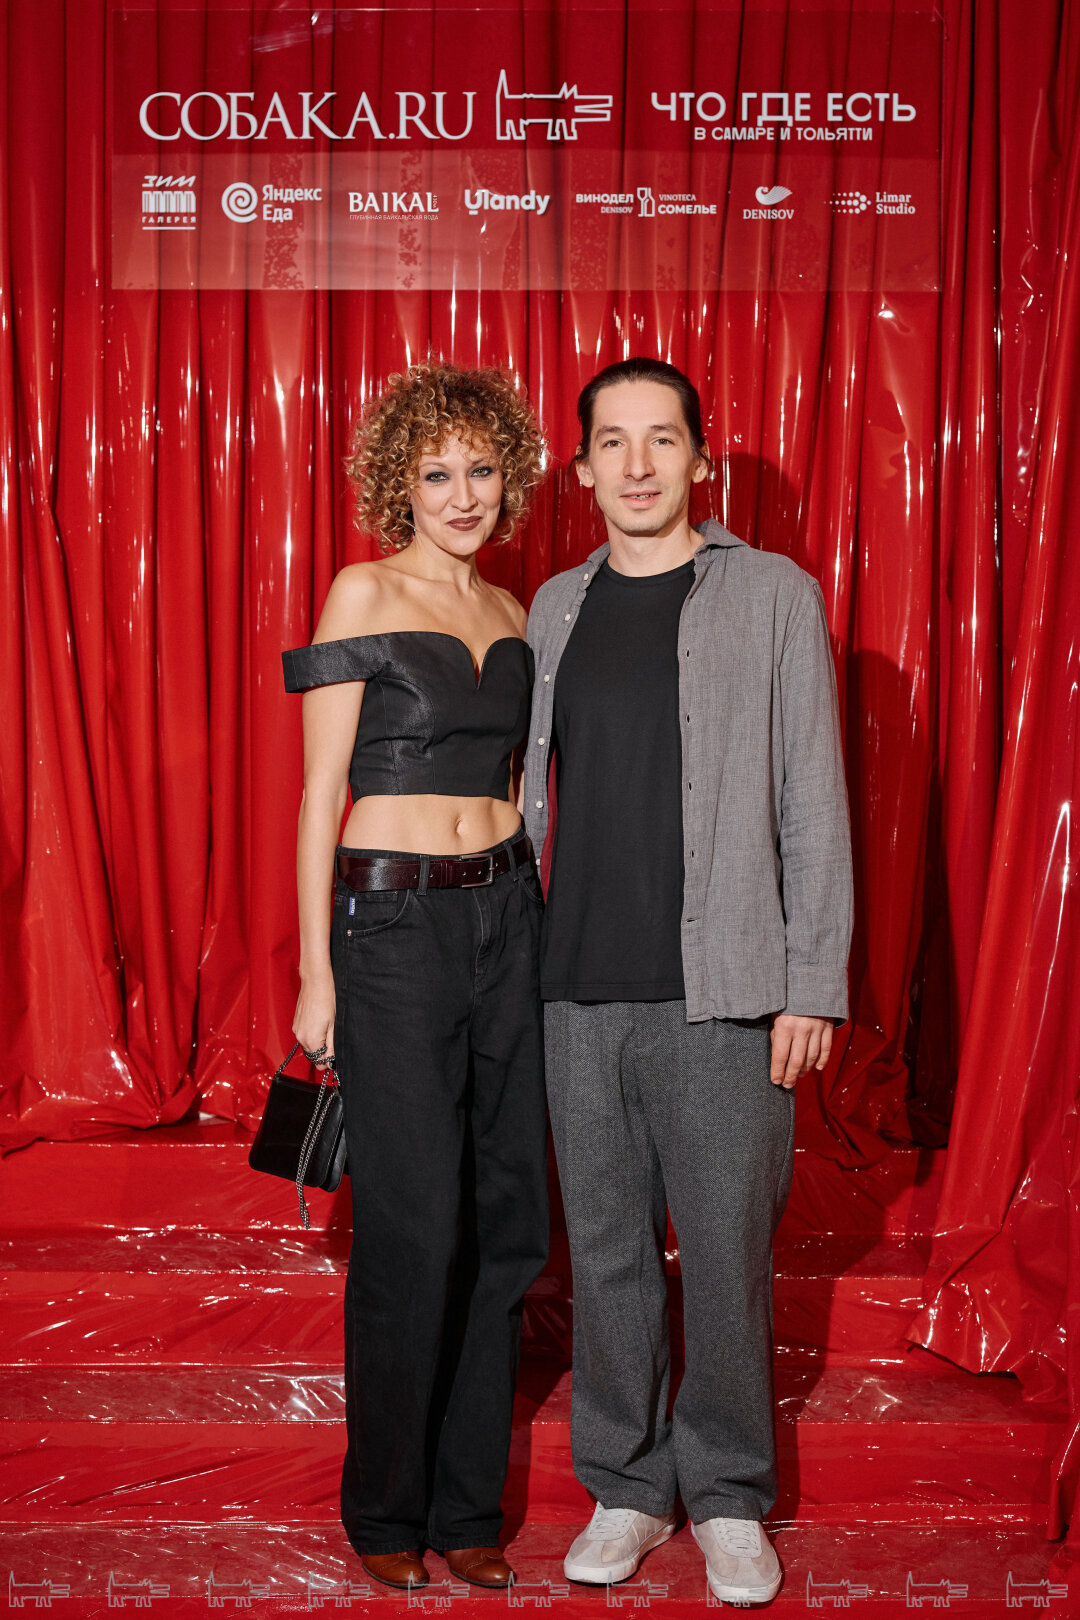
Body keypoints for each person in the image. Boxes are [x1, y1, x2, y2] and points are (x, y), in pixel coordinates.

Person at [522, 357, 853, 1606]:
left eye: (663, 438)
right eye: (614, 441)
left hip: (728, 990)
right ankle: (626, 1483)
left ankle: (725, 1494)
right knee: (606, 1253)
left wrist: (811, 982)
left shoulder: (773, 595)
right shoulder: (553, 608)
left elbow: (814, 800)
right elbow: (525, 797)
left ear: (702, 459)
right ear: (583, 467)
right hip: (574, 986)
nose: (640, 464)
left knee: (723, 1255)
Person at [281, 361, 550, 1592]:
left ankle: (466, 1503)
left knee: (506, 1218)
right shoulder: (363, 590)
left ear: (510, 479)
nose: (462, 494)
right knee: (412, 1222)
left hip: (510, 914)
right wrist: (317, 974)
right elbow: (317, 794)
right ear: (401, 482)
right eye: (436, 473)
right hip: (392, 928)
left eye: (481, 470)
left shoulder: (516, 612)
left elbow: (524, 787)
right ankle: (387, 1511)